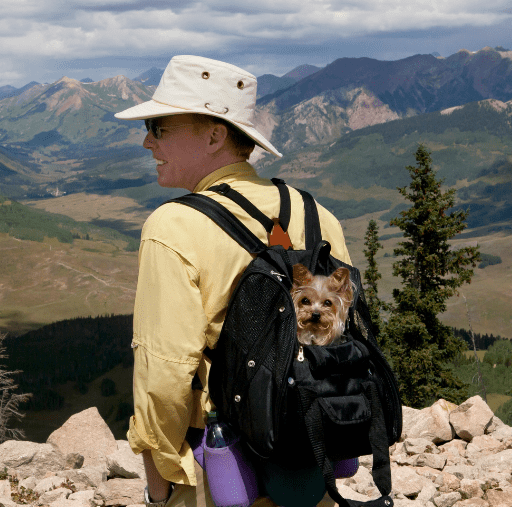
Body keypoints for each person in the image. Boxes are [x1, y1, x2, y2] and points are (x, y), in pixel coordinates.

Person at [115, 55, 352, 507]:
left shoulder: (172, 227)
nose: (148, 141)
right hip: (309, 462)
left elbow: (163, 376)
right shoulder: (318, 215)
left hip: (220, 474)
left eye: (160, 127)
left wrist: (162, 483)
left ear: (214, 134)